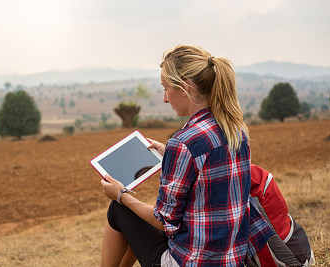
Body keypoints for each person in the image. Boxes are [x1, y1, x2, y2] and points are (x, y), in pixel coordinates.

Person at [100, 45, 274, 266]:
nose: (165, 98)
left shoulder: (183, 143)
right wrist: (170, 154)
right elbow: (210, 179)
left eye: (165, 88)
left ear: (185, 88)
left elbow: (164, 221)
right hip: (233, 260)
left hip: (191, 262)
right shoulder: (235, 131)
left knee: (118, 210)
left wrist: (121, 194)